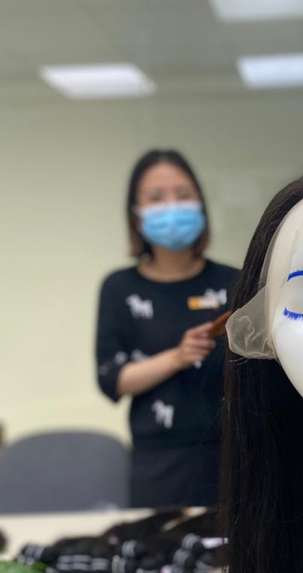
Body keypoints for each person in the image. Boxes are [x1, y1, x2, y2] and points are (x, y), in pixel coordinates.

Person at [95, 148, 240, 508]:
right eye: (157, 198)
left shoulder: (233, 282)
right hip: (159, 461)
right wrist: (177, 357)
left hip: (233, 453)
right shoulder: (120, 287)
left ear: (201, 204)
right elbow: (112, 378)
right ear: (136, 213)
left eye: (183, 194)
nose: (172, 206)